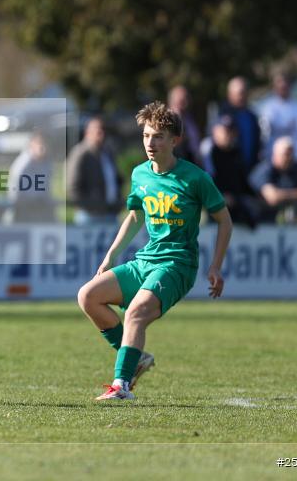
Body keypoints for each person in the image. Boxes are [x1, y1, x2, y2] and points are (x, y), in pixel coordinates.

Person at [77, 101, 232, 401]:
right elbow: (135, 216)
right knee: (88, 297)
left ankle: (121, 386)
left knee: (135, 312)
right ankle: (139, 359)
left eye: (158, 136)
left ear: (175, 141)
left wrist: (215, 266)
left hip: (177, 265)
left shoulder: (195, 178)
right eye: (147, 135)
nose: (150, 142)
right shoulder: (140, 175)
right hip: (146, 261)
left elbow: (224, 222)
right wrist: (111, 255)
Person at [200, 115, 258, 228]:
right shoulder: (209, 153)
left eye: (231, 130)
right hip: (214, 205)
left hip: (235, 203)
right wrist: (221, 197)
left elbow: (244, 183)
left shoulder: (236, 153)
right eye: (225, 130)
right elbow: (206, 184)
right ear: (215, 131)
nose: (229, 134)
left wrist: (258, 197)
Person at [66, 117, 121, 224]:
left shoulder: (107, 152)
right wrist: (88, 206)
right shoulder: (80, 154)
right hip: (89, 216)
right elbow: (72, 186)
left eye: (103, 130)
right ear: (87, 132)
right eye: (98, 130)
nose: (101, 134)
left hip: (110, 213)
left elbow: (116, 179)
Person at [250, 136, 297, 223]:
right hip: (260, 224)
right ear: (275, 154)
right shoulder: (264, 170)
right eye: (286, 154)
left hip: (286, 226)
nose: (289, 158)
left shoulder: (295, 169)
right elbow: (272, 198)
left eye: (291, 154)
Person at [259, 72, 297, 161]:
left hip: (293, 157)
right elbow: (264, 131)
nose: (283, 87)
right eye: (279, 84)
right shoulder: (268, 107)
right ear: (274, 87)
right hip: (272, 157)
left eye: (285, 85)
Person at [8, 131, 55, 222]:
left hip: (41, 208)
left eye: (45, 144)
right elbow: (14, 190)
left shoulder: (47, 164)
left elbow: (46, 188)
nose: (43, 147)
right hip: (23, 209)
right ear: (31, 144)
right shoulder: (23, 164)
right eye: (40, 143)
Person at [219, 76, 262, 170]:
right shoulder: (223, 113)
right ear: (230, 94)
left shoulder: (252, 115)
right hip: (230, 169)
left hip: (251, 169)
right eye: (240, 93)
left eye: (245, 92)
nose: (242, 96)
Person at [167, 85, 201, 164]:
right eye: (181, 101)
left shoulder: (190, 118)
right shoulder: (166, 120)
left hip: (192, 161)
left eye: (186, 98)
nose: (185, 102)